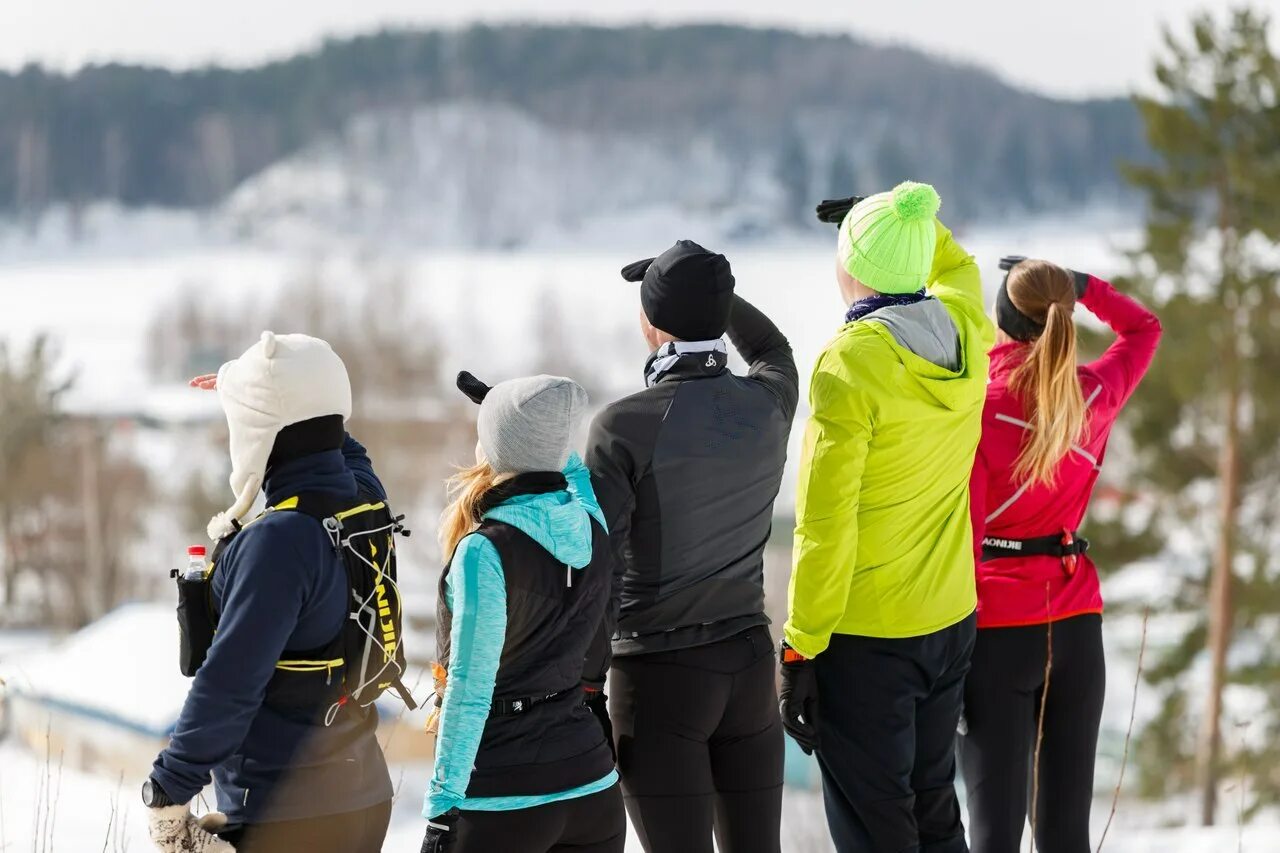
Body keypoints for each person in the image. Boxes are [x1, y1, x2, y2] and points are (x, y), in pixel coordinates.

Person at [780, 182, 993, 853]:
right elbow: (956, 266)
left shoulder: (850, 363)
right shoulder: (966, 327)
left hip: (869, 636)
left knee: (878, 827)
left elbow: (825, 521)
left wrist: (800, 644)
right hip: (950, 617)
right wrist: (903, 220)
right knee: (934, 809)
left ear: (850, 267)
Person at [585, 240, 798, 853]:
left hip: (656, 678)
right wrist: (707, 290)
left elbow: (598, 565)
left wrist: (583, 687)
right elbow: (771, 348)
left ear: (651, 324)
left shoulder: (622, 426)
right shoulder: (769, 403)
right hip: (748, 667)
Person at [144, 332, 395, 853]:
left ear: (260, 430)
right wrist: (260, 386)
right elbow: (334, 435)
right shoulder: (363, 501)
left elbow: (231, 680)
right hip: (363, 796)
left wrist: (168, 788)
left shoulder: (279, 543)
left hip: (290, 815)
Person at [960, 257, 1161, 853]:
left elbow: (964, 536)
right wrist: (1082, 286)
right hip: (1075, 626)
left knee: (994, 834)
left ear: (999, 320)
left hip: (996, 629)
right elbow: (1144, 329)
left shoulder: (976, 406)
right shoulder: (1093, 394)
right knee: (1065, 835)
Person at [420, 372, 624, 853]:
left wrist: (442, 807)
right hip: (592, 789)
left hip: (505, 800)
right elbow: (568, 467)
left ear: (494, 446)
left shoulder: (484, 551)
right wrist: (521, 418)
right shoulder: (592, 528)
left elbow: (470, 688)